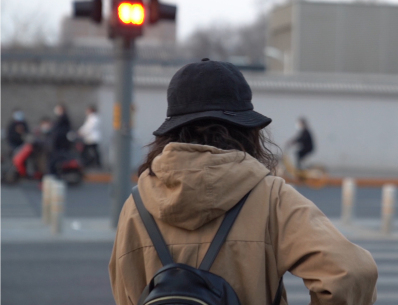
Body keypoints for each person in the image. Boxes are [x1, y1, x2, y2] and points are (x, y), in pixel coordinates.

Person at [109, 59, 378, 305]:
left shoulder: (136, 205)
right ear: (247, 131)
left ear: (171, 132)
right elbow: (351, 273)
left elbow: (125, 294)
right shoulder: (271, 196)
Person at [49, 103, 72, 174]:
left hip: (61, 143)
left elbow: (59, 131)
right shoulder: (61, 118)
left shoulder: (63, 118)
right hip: (59, 142)